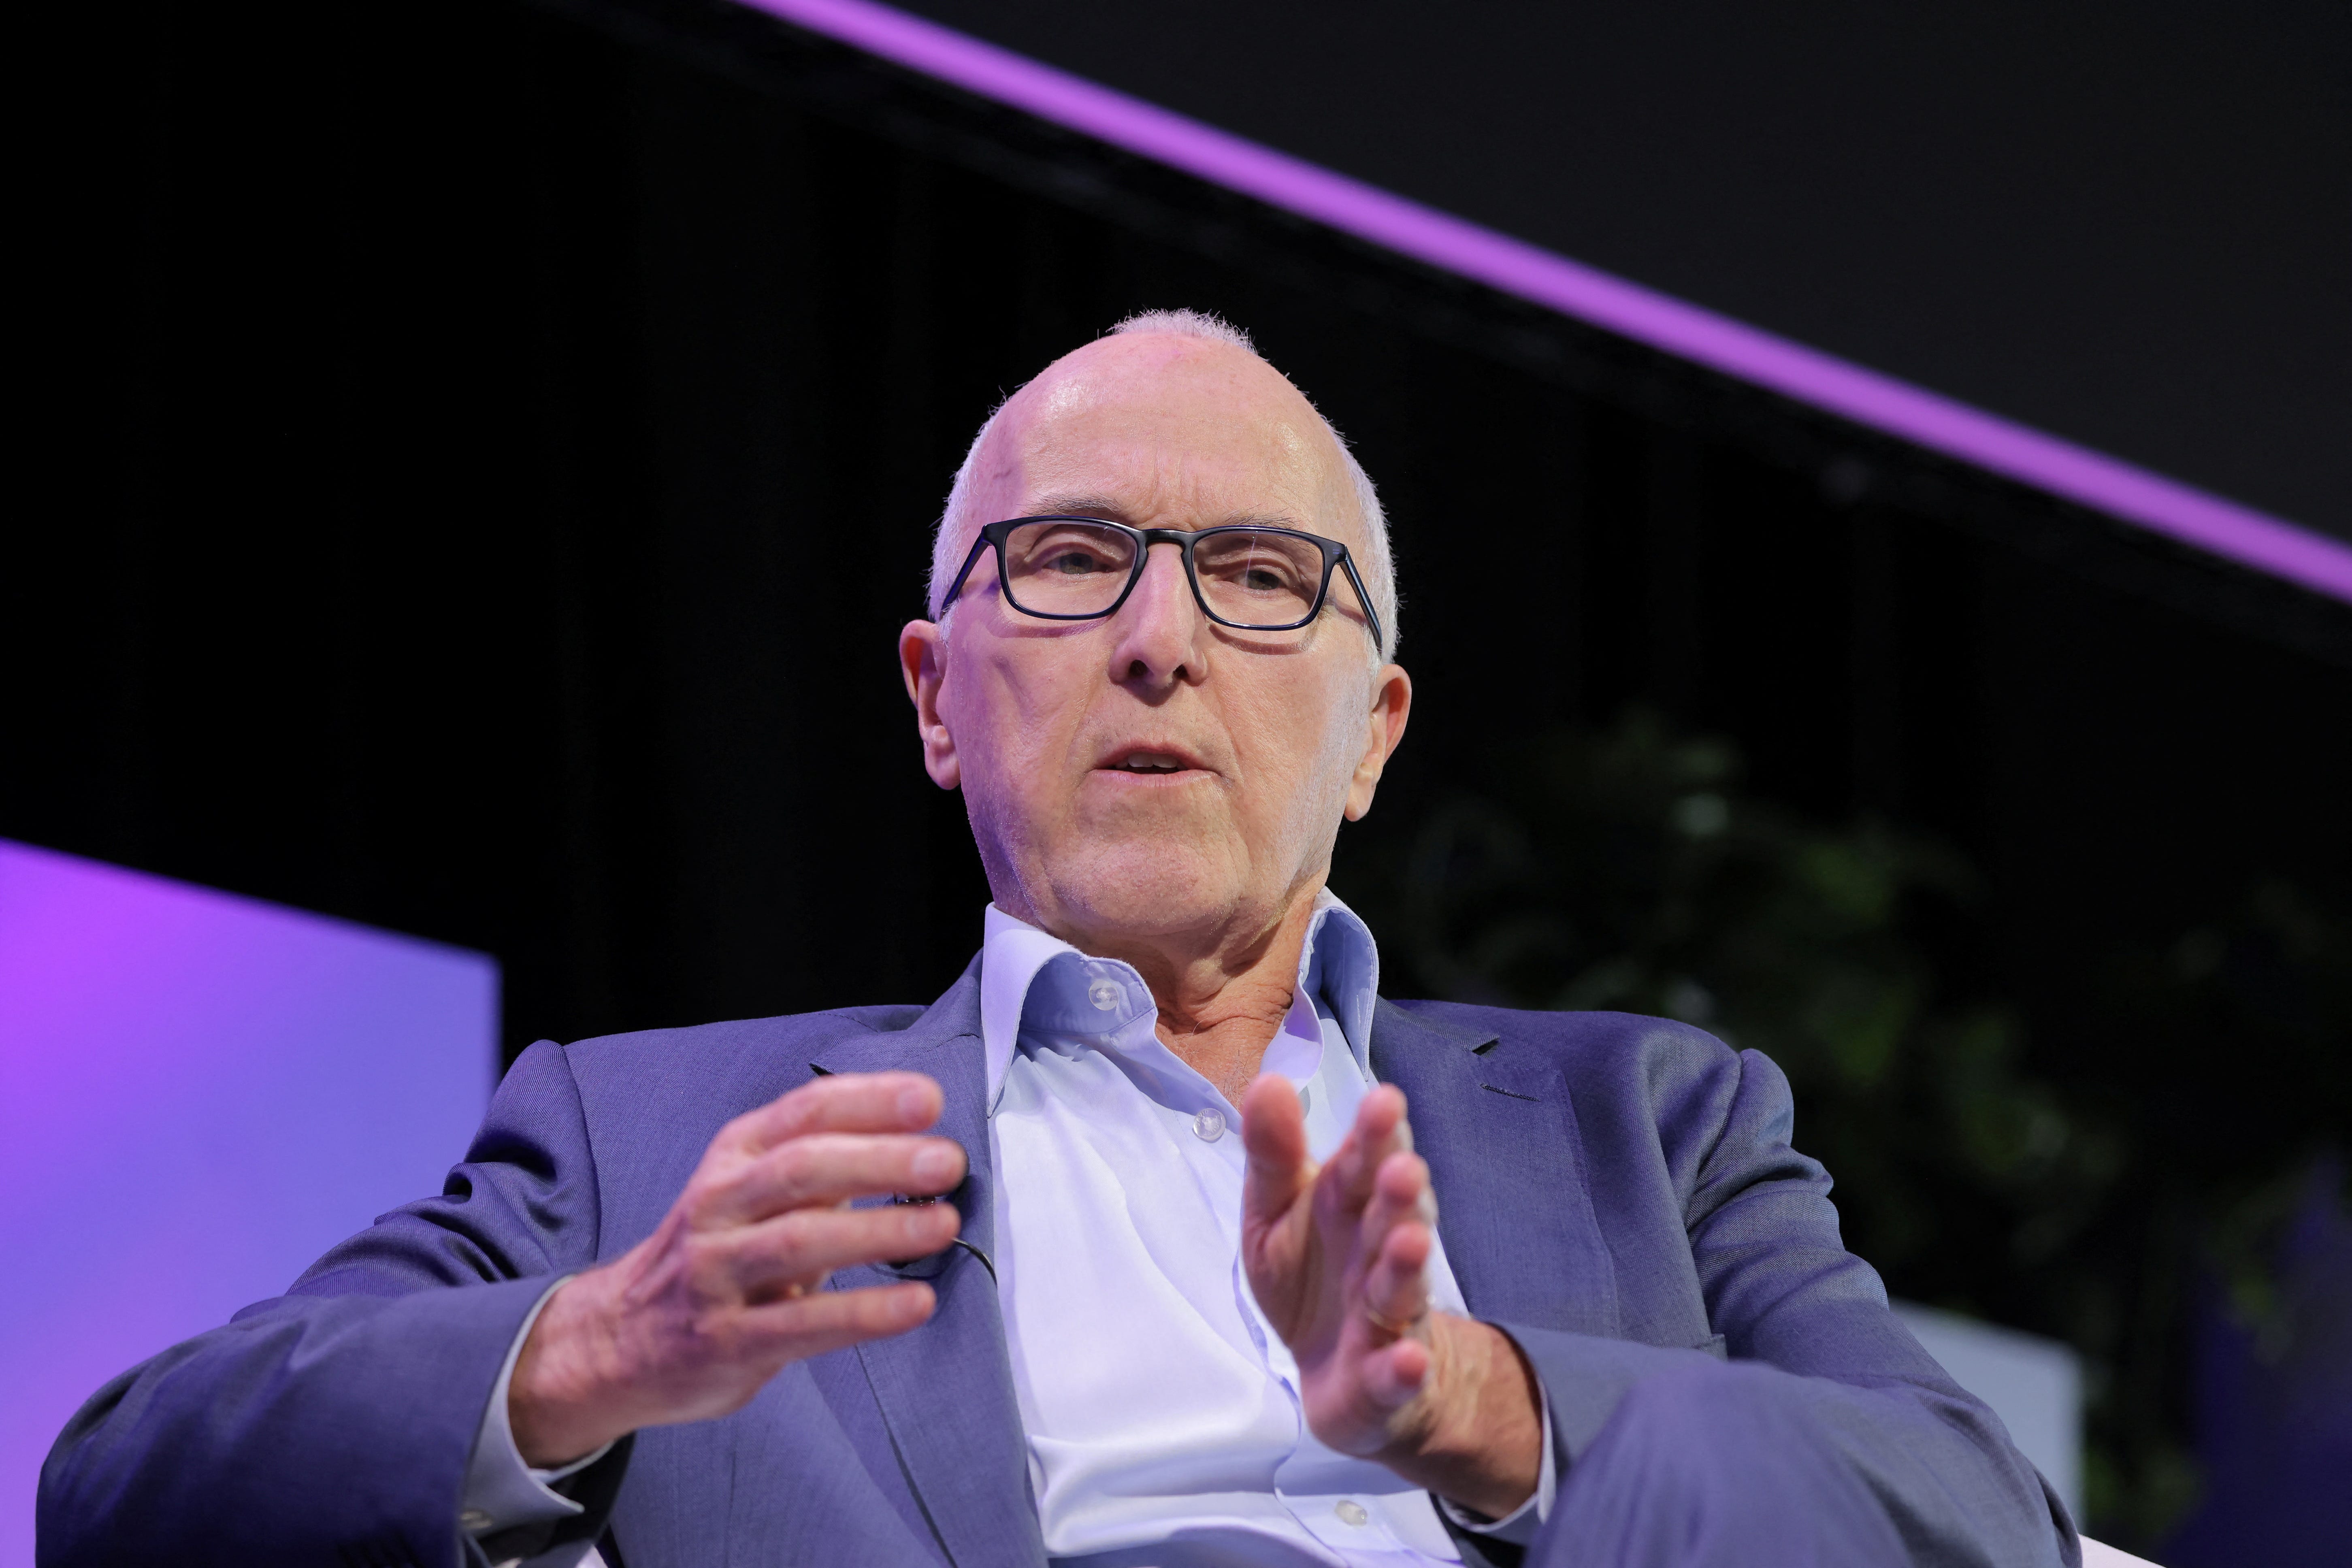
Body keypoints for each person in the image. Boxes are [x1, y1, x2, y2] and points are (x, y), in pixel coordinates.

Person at [39, 311, 2078, 1568]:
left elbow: (1980, 1523)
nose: (1161, 638)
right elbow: (129, 1484)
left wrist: (1467, 1396)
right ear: (937, 697)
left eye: (1260, 575)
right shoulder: (651, 1138)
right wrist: (606, 1343)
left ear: (1374, 732)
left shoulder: (1650, 1122)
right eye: (1075, 556)